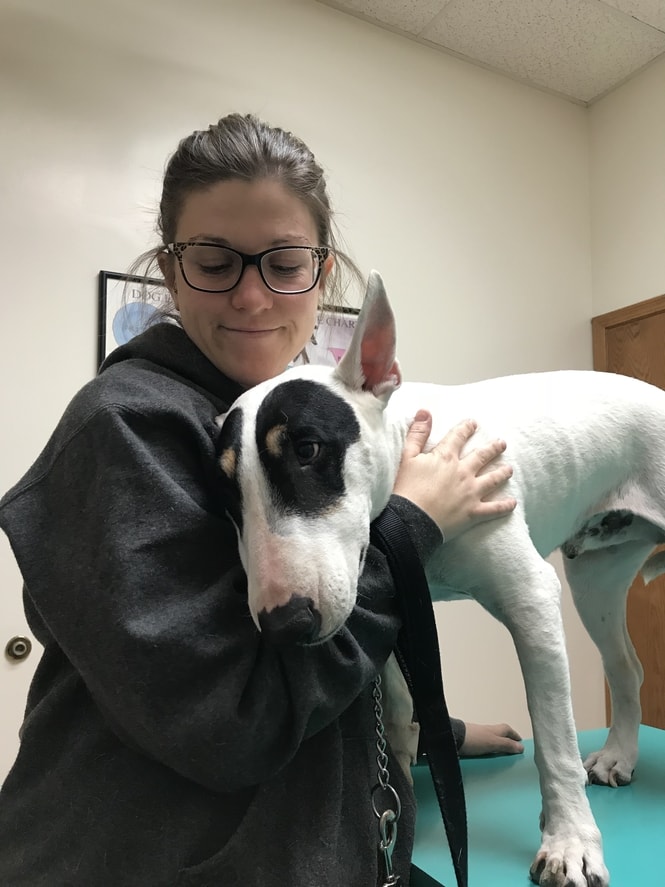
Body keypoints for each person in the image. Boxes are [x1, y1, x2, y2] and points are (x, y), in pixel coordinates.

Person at [0, 113, 522, 887]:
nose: (251, 296)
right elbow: (228, 720)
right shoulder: (124, 426)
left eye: (283, 262)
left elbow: (324, 631)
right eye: (214, 260)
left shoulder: (315, 420)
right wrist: (410, 527)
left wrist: (438, 727)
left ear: (321, 271)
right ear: (172, 271)